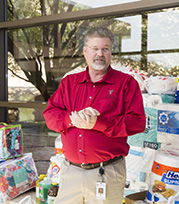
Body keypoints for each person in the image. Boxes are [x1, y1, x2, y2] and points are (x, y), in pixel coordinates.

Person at [43, 26, 146, 204]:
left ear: (111, 52)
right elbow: (50, 115)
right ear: (85, 51)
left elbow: (137, 122)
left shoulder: (126, 83)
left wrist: (98, 123)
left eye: (105, 49)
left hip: (107, 173)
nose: (100, 54)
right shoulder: (69, 83)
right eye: (95, 48)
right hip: (70, 172)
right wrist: (71, 119)